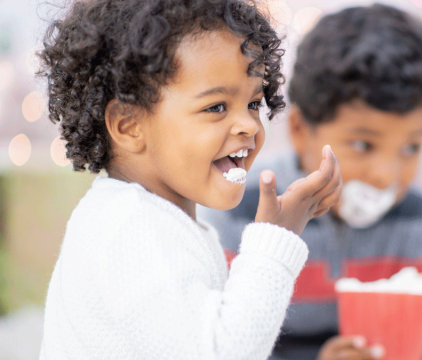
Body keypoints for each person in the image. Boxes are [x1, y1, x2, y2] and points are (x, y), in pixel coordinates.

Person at [37, 0, 342, 359]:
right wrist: (277, 241)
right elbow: (220, 351)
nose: (248, 125)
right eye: (216, 107)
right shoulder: (128, 228)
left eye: (254, 104)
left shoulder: (159, 223)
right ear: (128, 125)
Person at [201, 4, 422, 360]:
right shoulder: (239, 205)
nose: (386, 175)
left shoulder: (415, 215)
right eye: (362, 144)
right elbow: (218, 346)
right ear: (300, 131)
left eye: (411, 147)